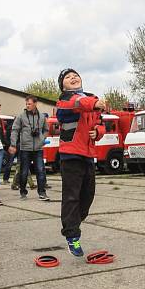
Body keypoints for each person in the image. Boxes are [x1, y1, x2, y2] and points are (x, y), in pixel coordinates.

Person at [56, 68, 106, 257]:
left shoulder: (91, 98)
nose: (73, 78)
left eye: (75, 75)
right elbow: (78, 104)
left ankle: (73, 223)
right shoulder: (65, 100)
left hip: (88, 154)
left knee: (88, 195)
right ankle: (72, 236)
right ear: (63, 85)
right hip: (70, 154)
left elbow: (100, 122)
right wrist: (94, 103)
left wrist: (98, 132)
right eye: (68, 77)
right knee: (71, 196)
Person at [8, 96, 49, 201]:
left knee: (40, 170)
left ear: (35, 104)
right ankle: (23, 192)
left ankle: (42, 192)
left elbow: (46, 129)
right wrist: (13, 144)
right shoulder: (21, 116)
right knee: (24, 171)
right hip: (25, 148)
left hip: (38, 149)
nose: (27, 106)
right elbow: (14, 130)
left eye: (29, 104)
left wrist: (42, 138)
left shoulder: (42, 117)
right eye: (26, 104)